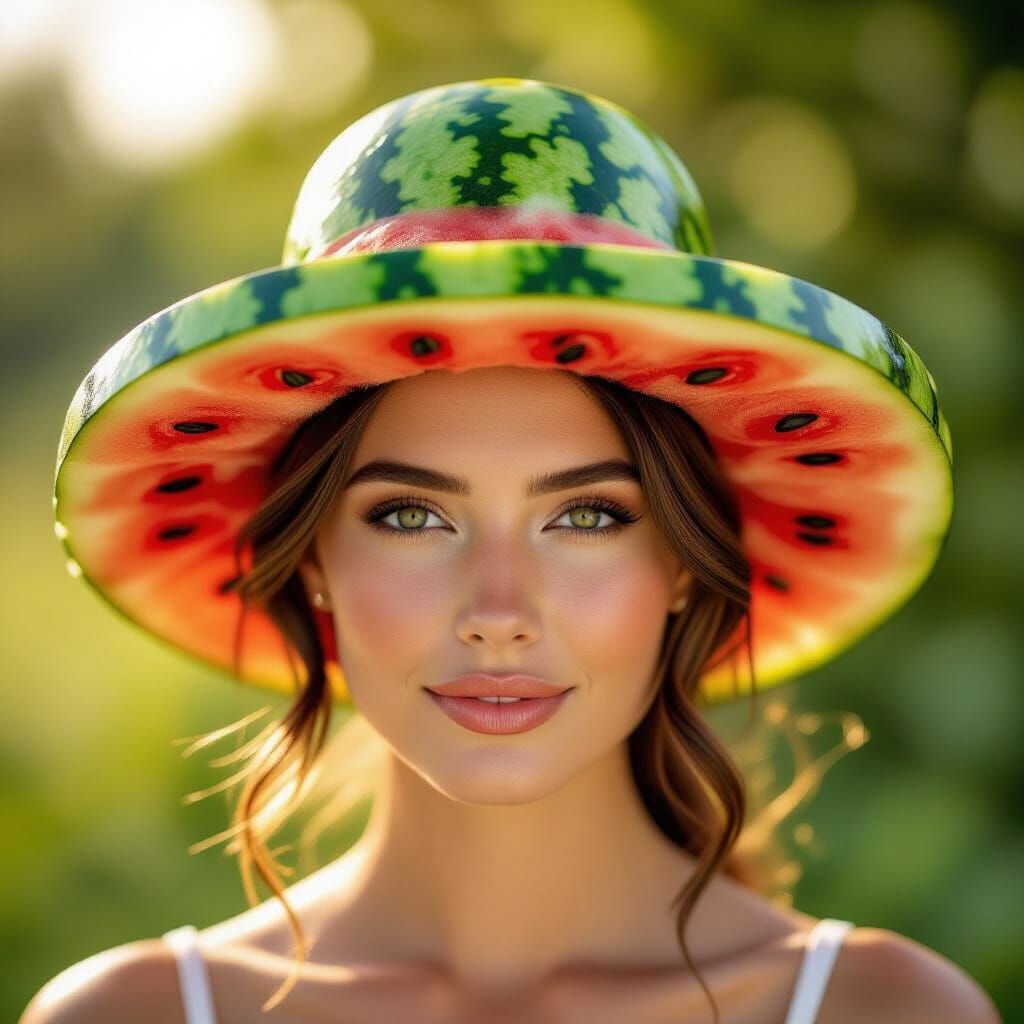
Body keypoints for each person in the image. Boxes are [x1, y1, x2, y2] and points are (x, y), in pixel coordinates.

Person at [24, 78, 1000, 1023]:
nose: (498, 608)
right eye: (411, 516)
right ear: (311, 554)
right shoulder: (130, 1014)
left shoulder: (880, 1012)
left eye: (586, 517)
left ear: (684, 561)